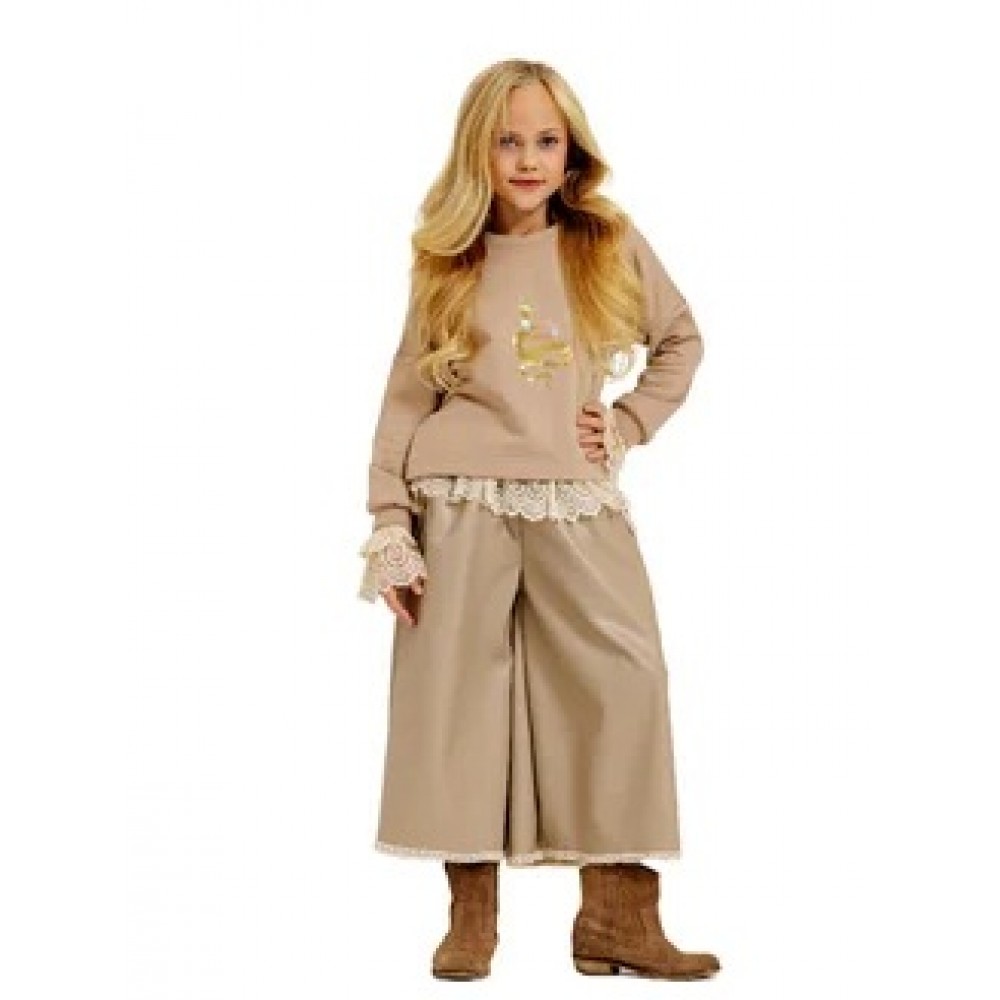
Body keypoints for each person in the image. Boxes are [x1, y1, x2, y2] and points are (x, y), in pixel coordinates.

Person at [357, 57, 720, 982]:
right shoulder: (446, 257)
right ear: (478, 151)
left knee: (624, 679)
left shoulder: (607, 242)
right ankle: (471, 917)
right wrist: (391, 522)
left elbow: (681, 339)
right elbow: (406, 398)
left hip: (573, 496)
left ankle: (618, 918)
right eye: (508, 141)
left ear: (571, 151)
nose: (527, 159)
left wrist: (627, 423)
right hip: (459, 503)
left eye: (546, 141)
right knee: (459, 700)